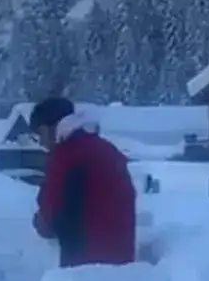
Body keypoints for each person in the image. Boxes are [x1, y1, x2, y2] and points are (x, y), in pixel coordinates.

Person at [28, 96, 136, 268]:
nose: (41, 143)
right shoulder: (106, 148)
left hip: (84, 269)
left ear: (51, 128)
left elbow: (51, 214)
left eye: (40, 134)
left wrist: (39, 222)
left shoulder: (65, 155)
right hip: (122, 266)